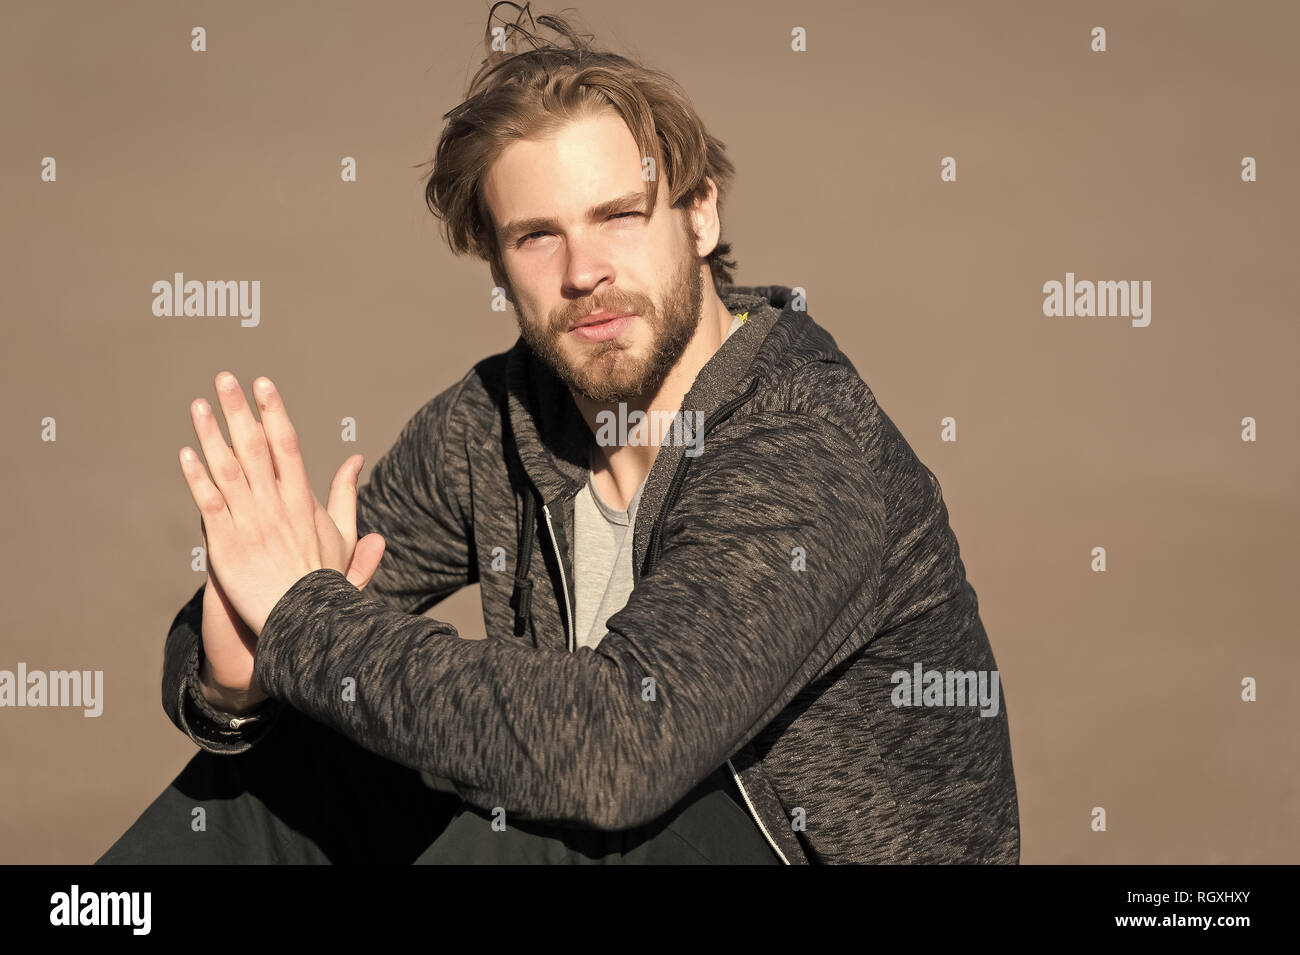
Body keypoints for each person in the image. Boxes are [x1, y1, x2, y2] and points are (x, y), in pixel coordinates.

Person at [99, 3, 1018, 865]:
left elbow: (621, 748)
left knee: (528, 820)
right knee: (282, 779)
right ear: (496, 262)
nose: (585, 272)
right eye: (537, 236)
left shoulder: (804, 443)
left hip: (781, 844)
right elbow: (290, 612)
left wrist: (301, 621)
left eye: (620, 215)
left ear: (700, 211)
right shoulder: (499, 421)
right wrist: (232, 682)